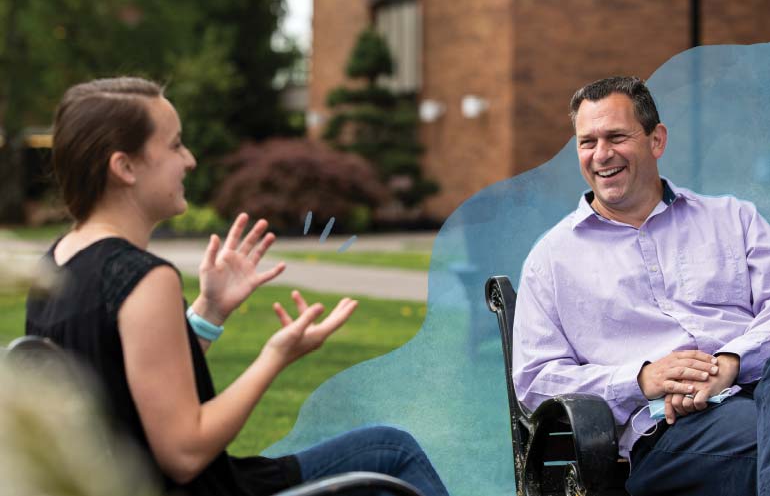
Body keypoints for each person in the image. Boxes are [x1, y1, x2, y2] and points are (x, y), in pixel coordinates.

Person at [25, 77, 450, 496]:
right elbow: (184, 452)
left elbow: (123, 383)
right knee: (393, 450)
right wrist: (275, 356)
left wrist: (210, 312)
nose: (189, 160)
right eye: (174, 145)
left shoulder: (58, 263)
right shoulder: (141, 276)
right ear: (125, 167)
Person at [512, 75, 770, 495]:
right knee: (752, 438)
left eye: (616, 136)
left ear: (656, 140)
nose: (601, 155)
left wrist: (730, 364)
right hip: (671, 430)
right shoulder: (552, 260)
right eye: (587, 142)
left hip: (757, 386)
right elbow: (536, 381)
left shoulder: (734, 220)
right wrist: (642, 378)